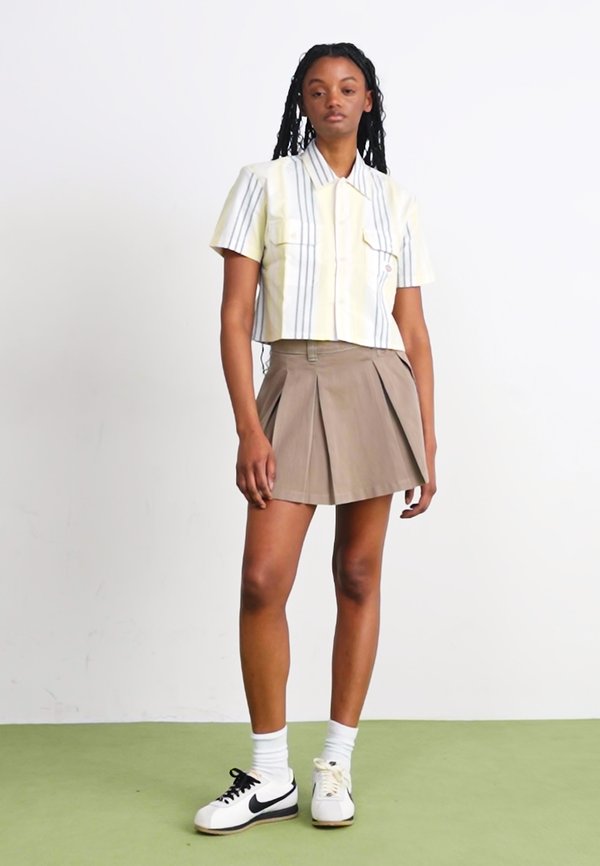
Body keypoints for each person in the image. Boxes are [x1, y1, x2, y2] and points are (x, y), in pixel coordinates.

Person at [194, 41, 438, 835]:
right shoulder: (261, 184)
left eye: (348, 87)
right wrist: (248, 425)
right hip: (293, 383)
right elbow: (235, 317)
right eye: (317, 89)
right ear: (302, 103)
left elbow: (414, 331)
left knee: (358, 576)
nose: (334, 99)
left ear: (369, 101)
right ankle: (270, 774)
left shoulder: (394, 200)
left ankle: (336, 763)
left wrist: (428, 441)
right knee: (263, 579)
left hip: (377, 387)